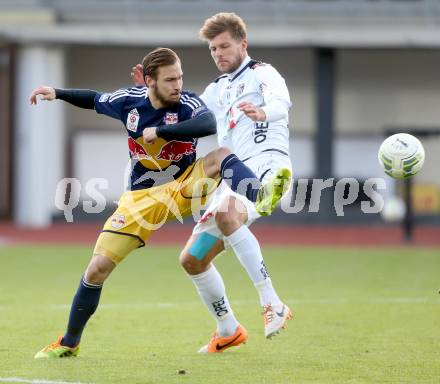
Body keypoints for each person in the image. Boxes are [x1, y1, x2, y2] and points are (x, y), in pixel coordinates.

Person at [30, 47, 291, 358]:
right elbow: (94, 98)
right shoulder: (128, 101)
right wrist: (56, 92)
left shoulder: (189, 103)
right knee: (96, 269)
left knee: (220, 157)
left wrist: (163, 131)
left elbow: (208, 125)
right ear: (150, 81)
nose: (178, 85)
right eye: (170, 80)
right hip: (140, 200)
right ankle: (69, 342)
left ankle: (260, 195)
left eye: (180, 77)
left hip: (184, 186)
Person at [133, 13, 293, 353]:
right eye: (212, 49)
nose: (218, 53)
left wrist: (265, 113)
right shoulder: (216, 90)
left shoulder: (263, 73)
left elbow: (280, 102)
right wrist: (146, 93)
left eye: (224, 46)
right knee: (192, 259)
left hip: (268, 169)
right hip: (232, 178)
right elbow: (180, 114)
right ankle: (228, 328)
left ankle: (273, 302)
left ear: (242, 44)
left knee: (227, 215)